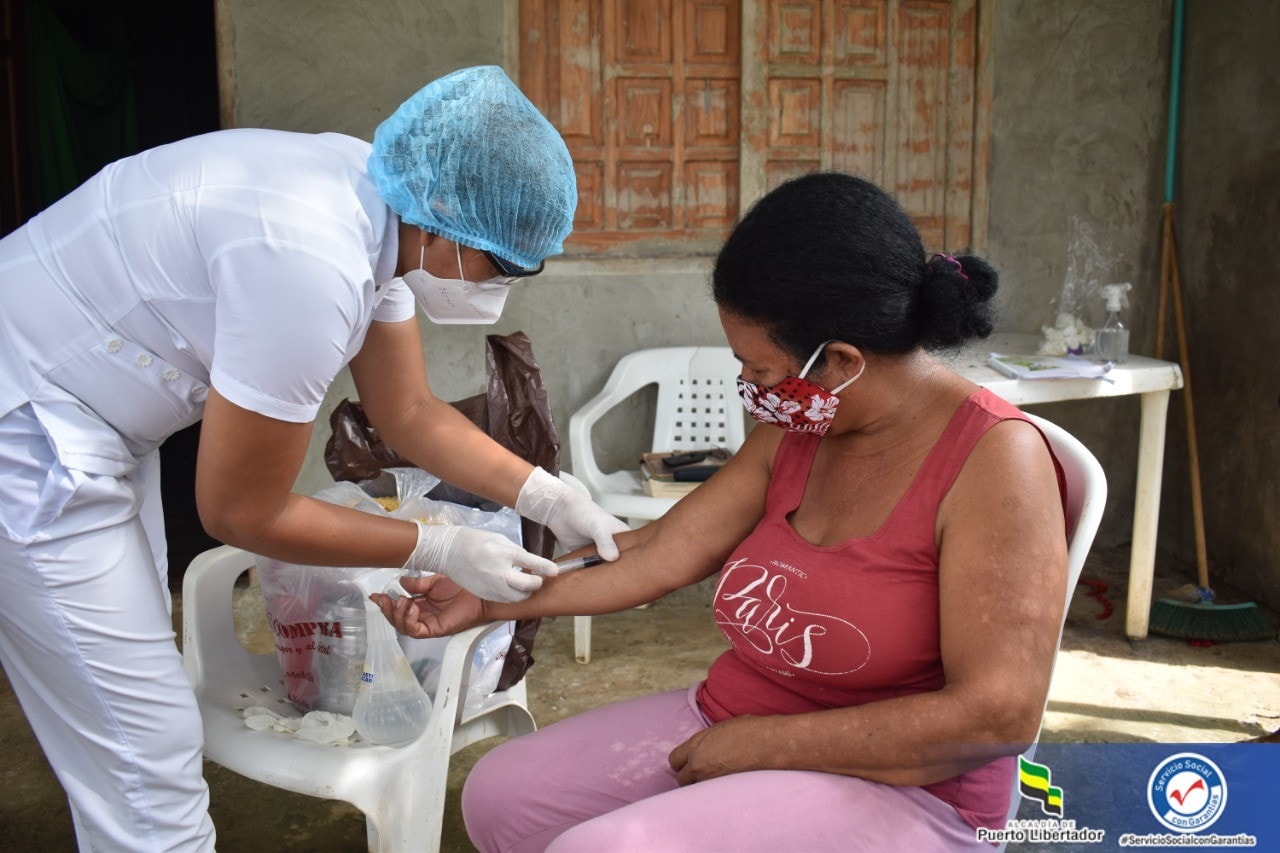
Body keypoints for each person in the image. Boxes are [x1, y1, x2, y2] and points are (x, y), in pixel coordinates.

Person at [0, 65, 626, 851]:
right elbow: (239, 512)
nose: (505, 286)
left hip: (93, 417)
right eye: (505, 264)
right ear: (445, 219)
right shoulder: (307, 257)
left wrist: (546, 494)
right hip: (29, 428)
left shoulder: (378, 209)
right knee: (144, 749)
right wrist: (444, 545)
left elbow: (408, 411)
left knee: (132, 712)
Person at [375, 172, 1071, 852]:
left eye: (760, 372)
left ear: (841, 361)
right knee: (501, 795)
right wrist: (493, 599)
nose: (747, 391)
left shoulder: (996, 461)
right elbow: (659, 550)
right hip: (744, 713)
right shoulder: (804, 426)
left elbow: (998, 712)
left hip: (911, 787)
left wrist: (770, 745)